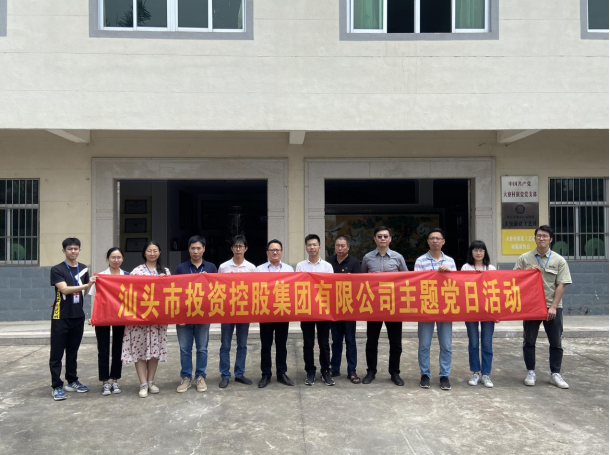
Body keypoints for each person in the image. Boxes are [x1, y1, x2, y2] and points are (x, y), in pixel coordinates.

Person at [514, 225, 572, 389]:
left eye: (545, 236)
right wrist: (527, 271)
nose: (541, 238)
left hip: (552, 307)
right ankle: (530, 372)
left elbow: (561, 285)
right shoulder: (525, 258)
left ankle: (555, 373)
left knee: (556, 341)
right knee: (529, 340)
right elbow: (513, 278)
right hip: (531, 307)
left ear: (550, 239)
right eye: (539, 236)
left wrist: (553, 306)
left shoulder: (559, 260)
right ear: (535, 238)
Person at [361, 226, 409, 386]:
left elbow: (407, 279)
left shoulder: (398, 257)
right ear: (374, 239)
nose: (382, 239)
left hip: (393, 306)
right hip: (374, 306)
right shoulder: (367, 258)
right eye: (379, 236)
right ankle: (371, 371)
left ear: (390, 239)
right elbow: (361, 280)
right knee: (371, 341)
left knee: (395, 342)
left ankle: (394, 372)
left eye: (385, 236)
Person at [121, 241, 170, 398]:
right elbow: (129, 292)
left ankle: (151, 381)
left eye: (155, 250)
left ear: (159, 252)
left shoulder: (165, 271)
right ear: (144, 253)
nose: (152, 253)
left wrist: (165, 281)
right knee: (140, 351)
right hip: (140, 319)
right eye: (149, 250)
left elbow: (171, 293)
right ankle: (142, 384)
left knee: (154, 351)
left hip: (157, 319)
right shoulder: (136, 271)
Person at [49, 238, 96, 401]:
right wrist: (87, 285)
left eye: (76, 248)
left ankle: (72, 380)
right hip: (60, 316)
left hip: (78, 316)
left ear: (79, 250)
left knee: (72, 351)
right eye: (70, 249)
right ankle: (56, 386)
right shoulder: (57, 269)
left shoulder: (83, 269)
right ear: (64, 250)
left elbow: (83, 294)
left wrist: (87, 286)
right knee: (57, 353)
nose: (73, 251)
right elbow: (64, 289)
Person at [414, 228, 457, 391]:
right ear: (428, 241)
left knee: (446, 345)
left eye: (438, 238)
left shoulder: (450, 261)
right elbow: (416, 282)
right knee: (424, 344)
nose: (435, 241)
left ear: (443, 242)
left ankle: (444, 375)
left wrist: (448, 273)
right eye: (432, 238)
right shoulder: (420, 261)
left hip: (445, 307)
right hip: (426, 306)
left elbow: (457, 283)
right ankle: (425, 374)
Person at [174, 235, 217, 393]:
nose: (196, 251)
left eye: (199, 248)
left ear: (204, 249)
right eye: (193, 248)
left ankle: (200, 376)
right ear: (189, 250)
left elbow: (216, 291)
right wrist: (178, 316)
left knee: (202, 348)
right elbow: (175, 292)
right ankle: (186, 377)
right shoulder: (181, 268)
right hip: (184, 315)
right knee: (185, 349)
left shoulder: (211, 267)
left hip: (203, 315)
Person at [88, 247, 129, 396]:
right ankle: (105, 382)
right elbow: (95, 298)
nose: (116, 260)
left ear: (122, 259)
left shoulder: (128, 276)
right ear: (107, 259)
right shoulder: (100, 277)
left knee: (118, 348)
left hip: (121, 316)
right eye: (113, 257)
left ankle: (115, 380)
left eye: (119, 257)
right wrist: (93, 316)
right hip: (103, 316)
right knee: (103, 349)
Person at [296, 234, 335, 386]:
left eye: (314, 245)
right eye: (309, 245)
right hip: (306, 309)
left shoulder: (327, 266)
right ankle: (310, 371)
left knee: (324, 343)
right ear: (306, 248)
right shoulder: (300, 266)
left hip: (323, 310)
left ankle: (325, 371)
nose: (312, 247)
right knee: (308, 343)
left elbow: (331, 288)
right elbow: (298, 287)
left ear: (319, 247)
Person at [218, 235, 256, 388]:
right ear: (231, 248)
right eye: (236, 246)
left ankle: (239, 373)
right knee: (225, 344)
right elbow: (218, 288)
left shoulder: (251, 268)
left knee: (242, 344)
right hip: (227, 311)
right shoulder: (223, 267)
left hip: (244, 310)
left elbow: (255, 289)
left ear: (246, 249)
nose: (238, 249)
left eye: (241, 246)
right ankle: (225, 375)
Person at [255, 239, 295, 388]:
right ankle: (266, 374)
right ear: (267, 252)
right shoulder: (259, 270)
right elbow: (255, 290)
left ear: (282, 252)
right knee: (266, 345)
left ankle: (281, 373)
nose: (275, 252)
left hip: (282, 312)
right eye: (272, 250)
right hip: (265, 312)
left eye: (277, 250)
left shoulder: (289, 270)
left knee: (281, 344)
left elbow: (293, 290)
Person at [461, 240, 496, 389]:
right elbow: (462, 287)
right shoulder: (466, 267)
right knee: (474, 342)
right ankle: (475, 372)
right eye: (475, 250)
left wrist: (497, 312)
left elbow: (497, 290)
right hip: (471, 309)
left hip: (488, 310)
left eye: (481, 250)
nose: (478, 253)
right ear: (471, 252)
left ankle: (486, 374)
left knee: (487, 343)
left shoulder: (491, 268)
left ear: (485, 252)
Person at [327, 235, 361, 384]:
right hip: (333, 307)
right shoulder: (328, 262)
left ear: (348, 247)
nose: (340, 248)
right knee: (336, 340)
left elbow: (359, 285)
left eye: (342, 246)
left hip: (349, 308)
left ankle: (352, 370)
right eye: (337, 245)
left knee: (350, 340)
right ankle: (334, 368)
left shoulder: (354, 263)